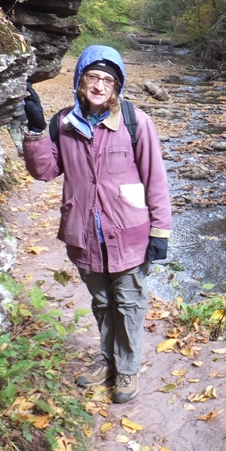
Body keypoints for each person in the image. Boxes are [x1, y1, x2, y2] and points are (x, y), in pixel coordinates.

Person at [22, 45, 171, 403]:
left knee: (130, 303)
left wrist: (160, 231)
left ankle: (128, 370)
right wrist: (37, 130)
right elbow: (44, 171)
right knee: (103, 302)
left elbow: (156, 180)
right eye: (93, 77)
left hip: (130, 234)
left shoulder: (136, 122)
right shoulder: (63, 124)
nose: (100, 85)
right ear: (80, 81)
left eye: (108, 80)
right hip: (84, 234)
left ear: (117, 87)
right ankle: (108, 361)